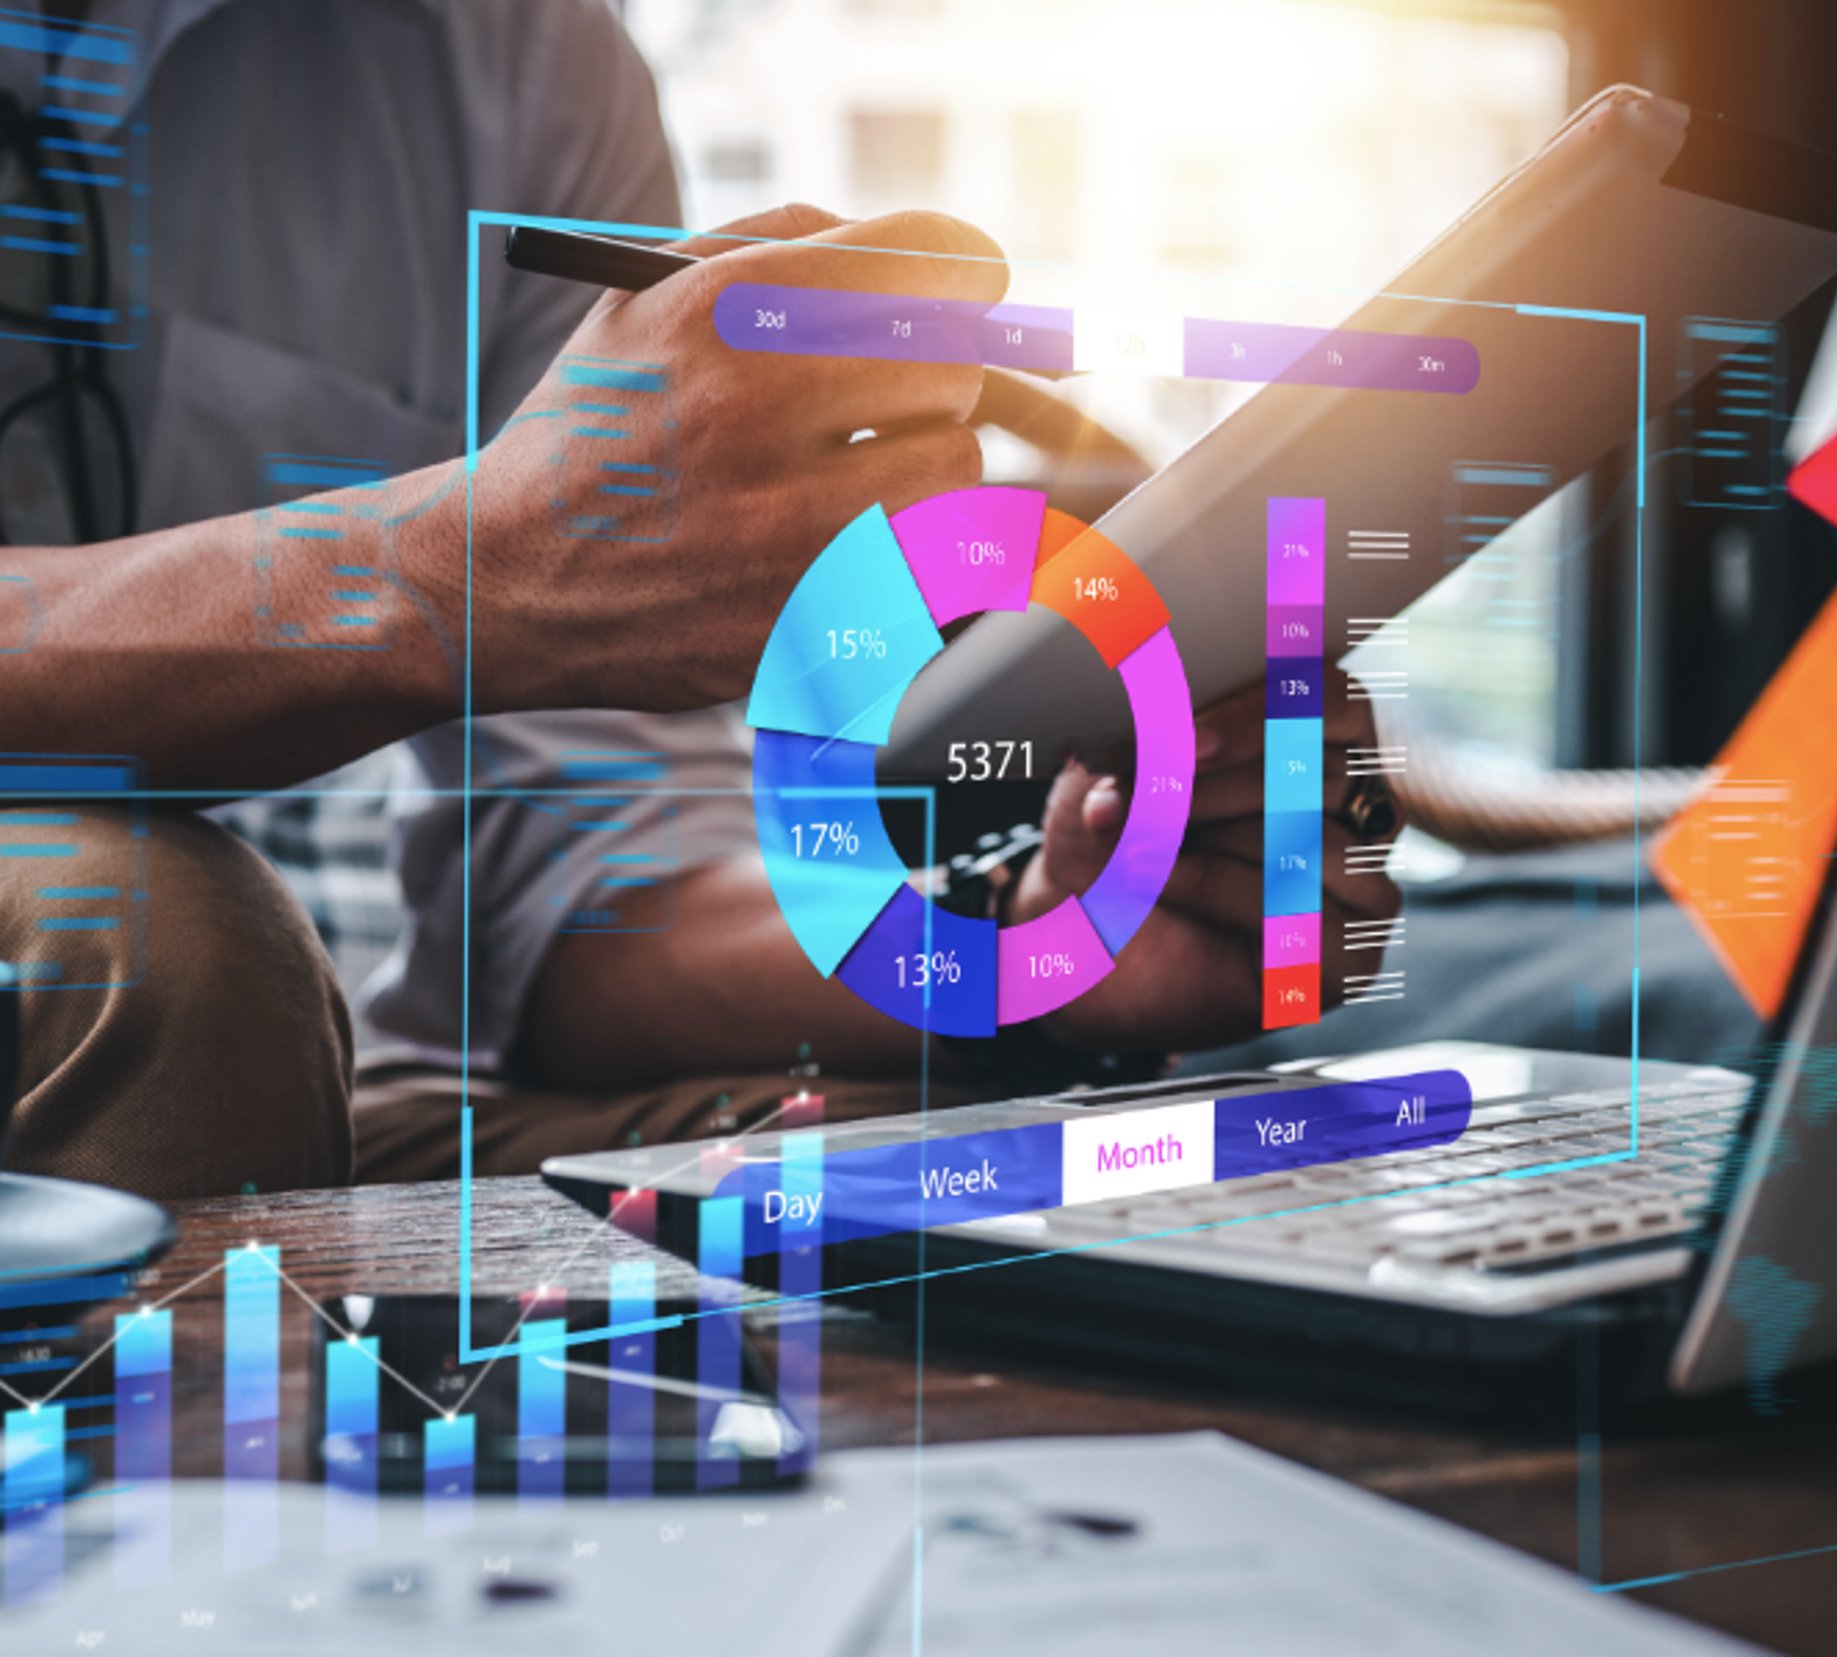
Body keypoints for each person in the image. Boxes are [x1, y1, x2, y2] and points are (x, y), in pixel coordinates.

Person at [0, 0, 1396, 1196]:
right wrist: (452, 573)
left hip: (359, 1064)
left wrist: (1026, 944)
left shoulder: (520, 55)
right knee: (158, 940)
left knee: (959, 1172)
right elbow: (482, 576)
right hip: (192, 1005)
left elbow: (584, 911)